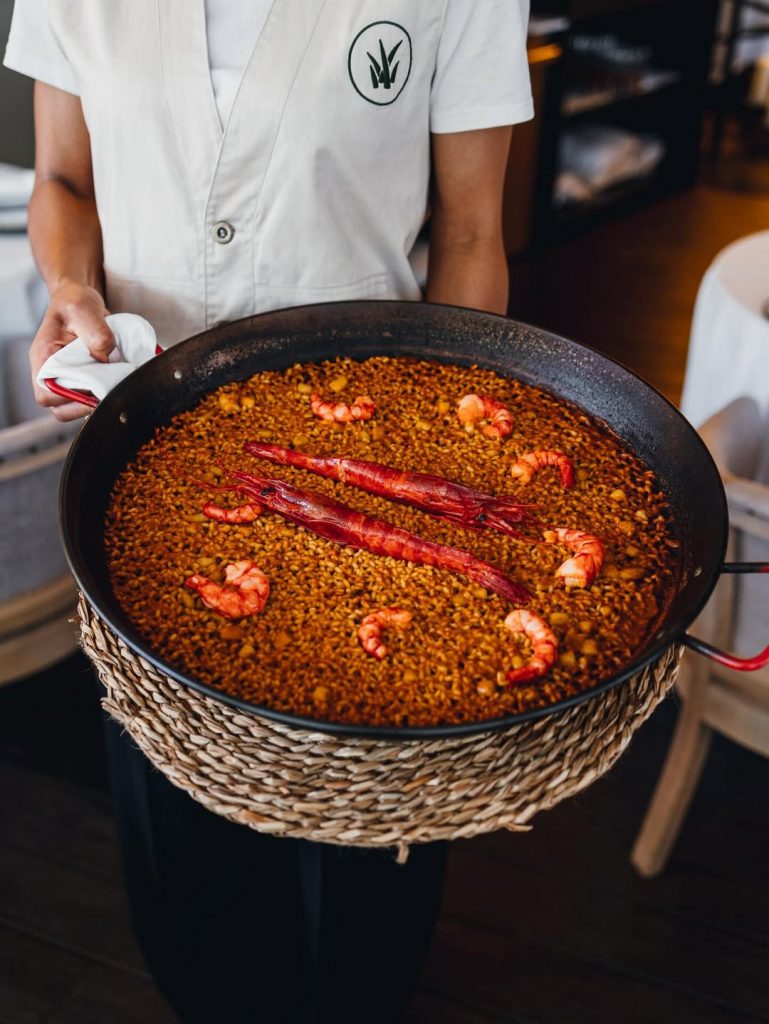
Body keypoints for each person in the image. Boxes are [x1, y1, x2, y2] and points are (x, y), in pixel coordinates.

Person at [5, 2, 533, 1021]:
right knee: (176, 820)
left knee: (363, 844)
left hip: (366, 477)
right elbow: (64, 180)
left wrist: (437, 465)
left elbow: (471, 236)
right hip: (146, 467)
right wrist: (70, 282)